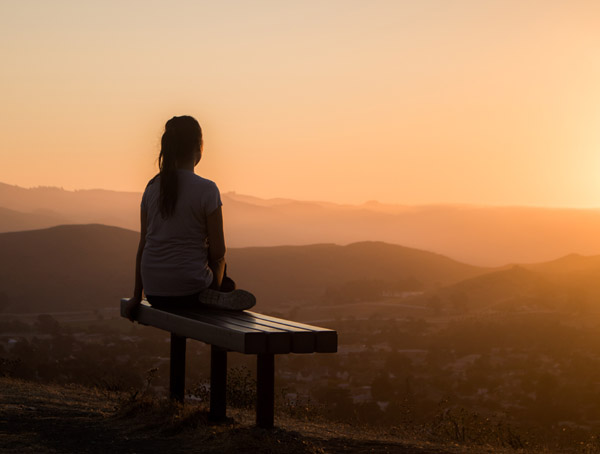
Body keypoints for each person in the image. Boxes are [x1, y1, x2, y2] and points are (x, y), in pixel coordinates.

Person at [124, 115, 255, 321]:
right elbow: (219, 251)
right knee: (224, 272)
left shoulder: (151, 187)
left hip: (154, 293)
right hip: (191, 293)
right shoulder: (207, 189)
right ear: (199, 147)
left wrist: (136, 296)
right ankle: (220, 293)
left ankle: (218, 292)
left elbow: (144, 245)